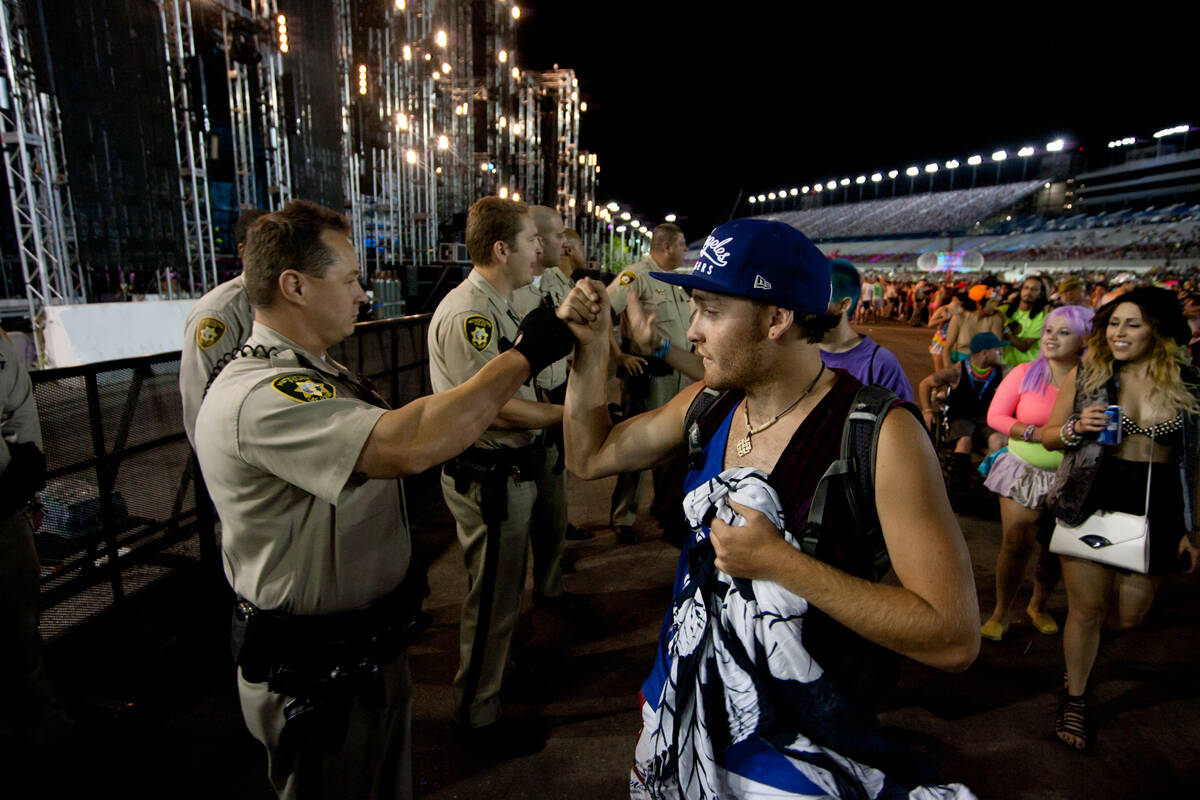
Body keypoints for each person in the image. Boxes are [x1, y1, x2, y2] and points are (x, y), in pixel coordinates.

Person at [558, 218, 979, 796]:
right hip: (681, 706)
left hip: (799, 748)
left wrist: (782, 563)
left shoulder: (882, 433)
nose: (694, 331)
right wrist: (587, 353)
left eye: (709, 310)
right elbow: (590, 455)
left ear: (777, 318)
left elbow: (954, 637)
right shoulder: (709, 402)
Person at [194, 199, 569, 798]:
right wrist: (521, 359)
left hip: (360, 653)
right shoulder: (260, 394)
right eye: (348, 281)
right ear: (294, 286)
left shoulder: (317, 372)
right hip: (317, 672)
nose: (364, 296)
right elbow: (409, 444)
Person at [427, 196, 567, 753]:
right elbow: (496, 407)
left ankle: (492, 683)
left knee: (504, 590)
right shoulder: (472, 315)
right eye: (532, 240)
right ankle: (476, 712)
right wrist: (570, 418)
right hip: (490, 474)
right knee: (491, 598)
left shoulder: (504, 302)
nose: (542, 249)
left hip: (513, 469)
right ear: (501, 248)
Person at [1041, 287, 1200, 751]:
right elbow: (1050, 437)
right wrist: (1075, 427)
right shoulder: (1087, 374)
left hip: (1158, 505)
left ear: (1160, 330)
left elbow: (1197, 465)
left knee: (1129, 618)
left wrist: (1194, 532)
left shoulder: (1189, 382)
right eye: (1113, 323)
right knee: (1086, 610)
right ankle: (1075, 695)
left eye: (1133, 323)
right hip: (1090, 495)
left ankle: (1080, 658)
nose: (1119, 333)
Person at [979, 305, 1094, 642]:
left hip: (1072, 476)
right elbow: (996, 416)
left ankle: (1038, 605)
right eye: (1048, 330)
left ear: (1084, 340)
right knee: (1015, 543)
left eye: (1063, 332)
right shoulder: (1025, 373)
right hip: (1024, 471)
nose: (1051, 338)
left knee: (1054, 548)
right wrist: (1033, 434)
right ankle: (1001, 612)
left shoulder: (1093, 382)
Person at [605, 222, 701, 544]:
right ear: (667, 247)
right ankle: (623, 516)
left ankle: (664, 507)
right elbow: (602, 312)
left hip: (676, 375)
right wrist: (618, 355)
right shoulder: (636, 276)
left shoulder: (671, 282)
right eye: (683, 244)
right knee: (636, 448)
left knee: (669, 448)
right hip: (648, 376)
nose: (686, 249)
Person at [511, 205, 591, 584]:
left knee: (555, 499)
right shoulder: (510, 288)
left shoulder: (559, 281)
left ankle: (550, 575)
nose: (566, 243)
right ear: (538, 242)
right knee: (523, 509)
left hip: (558, 395)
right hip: (528, 406)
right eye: (559, 236)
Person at [1, 328, 70, 754]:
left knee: (20, 621)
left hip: (3, 509)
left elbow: (20, 408)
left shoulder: (1, 341)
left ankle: (41, 725)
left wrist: (27, 475)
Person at [180, 208, 269, 446]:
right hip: (235, 456)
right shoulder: (219, 312)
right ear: (244, 252)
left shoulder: (285, 300)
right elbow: (199, 398)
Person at [919, 332, 1009, 505]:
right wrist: (927, 411)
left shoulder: (1001, 373)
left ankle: (986, 488)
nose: (1001, 354)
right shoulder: (956, 372)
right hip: (960, 418)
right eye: (997, 350)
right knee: (965, 440)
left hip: (985, 420)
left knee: (998, 441)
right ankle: (958, 490)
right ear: (984, 353)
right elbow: (925, 384)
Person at [819, 258, 914, 402]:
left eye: (819, 300)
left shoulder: (880, 363)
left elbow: (903, 419)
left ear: (844, 305)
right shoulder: (796, 352)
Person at [944, 285, 1003, 363]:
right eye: (992, 302)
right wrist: (948, 370)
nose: (996, 305)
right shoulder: (958, 319)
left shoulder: (995, 319)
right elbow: (947, 348)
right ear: (978, 303)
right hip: (959, 365)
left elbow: (997, 348)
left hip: (983, 366)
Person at [1001, 275, 1051, 367]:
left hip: (1029, 367)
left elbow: (1024, 347)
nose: (1029, 292)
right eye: (1026, 288)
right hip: (1006, 365)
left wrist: (1006, 331)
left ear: (1040, 293)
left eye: (1034, 289)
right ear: (1021, 290)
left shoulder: (1042, 317)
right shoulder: (1005, 310)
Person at [927, 291, 964, 373]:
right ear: (954, 298)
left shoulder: (964, 311)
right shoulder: (944, 309)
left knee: (953, 372)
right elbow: (930, 323)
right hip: (941, 340)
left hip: (956, 342)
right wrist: (943, 319)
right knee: (940, 372)